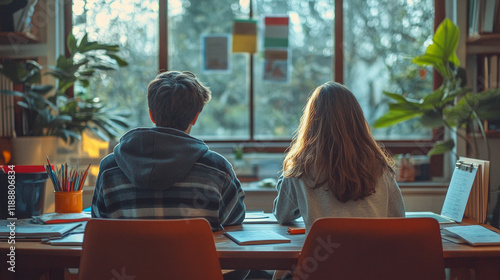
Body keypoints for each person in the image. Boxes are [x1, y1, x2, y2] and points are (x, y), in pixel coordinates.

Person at [91, 71, 246, 231]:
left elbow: (99, 223)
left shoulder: (109, 169)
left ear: (151, 115)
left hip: (127, 257)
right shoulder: (217, 169)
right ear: (195, 117)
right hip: (192, 257)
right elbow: (235, 218)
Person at [273, 81, 405, 231]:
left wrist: (288, 175)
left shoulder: (301, 169)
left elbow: (282, 215)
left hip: (325, 253)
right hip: (373, 253)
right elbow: (398, 215)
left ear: (311, 123)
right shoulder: (379, 166)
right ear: (357, 120)